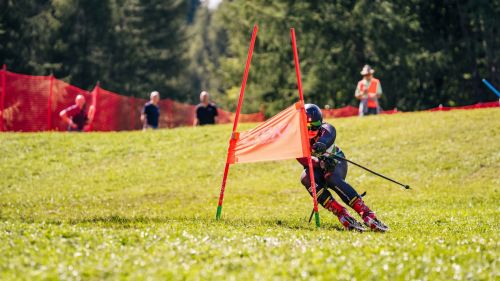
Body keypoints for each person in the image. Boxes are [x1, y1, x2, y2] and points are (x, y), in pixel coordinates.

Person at [298, 104, 388, 232]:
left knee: (330, 177)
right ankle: (341, 213)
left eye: (316, 124)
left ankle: (368, 214)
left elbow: (330, 133)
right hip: (318, 166)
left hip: (336, 162)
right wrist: (320, 163)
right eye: (307, 126)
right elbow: (304, 160)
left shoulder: (326, 129)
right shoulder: (297, 140)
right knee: (305, 178)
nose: (312, 129)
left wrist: (321, 144)